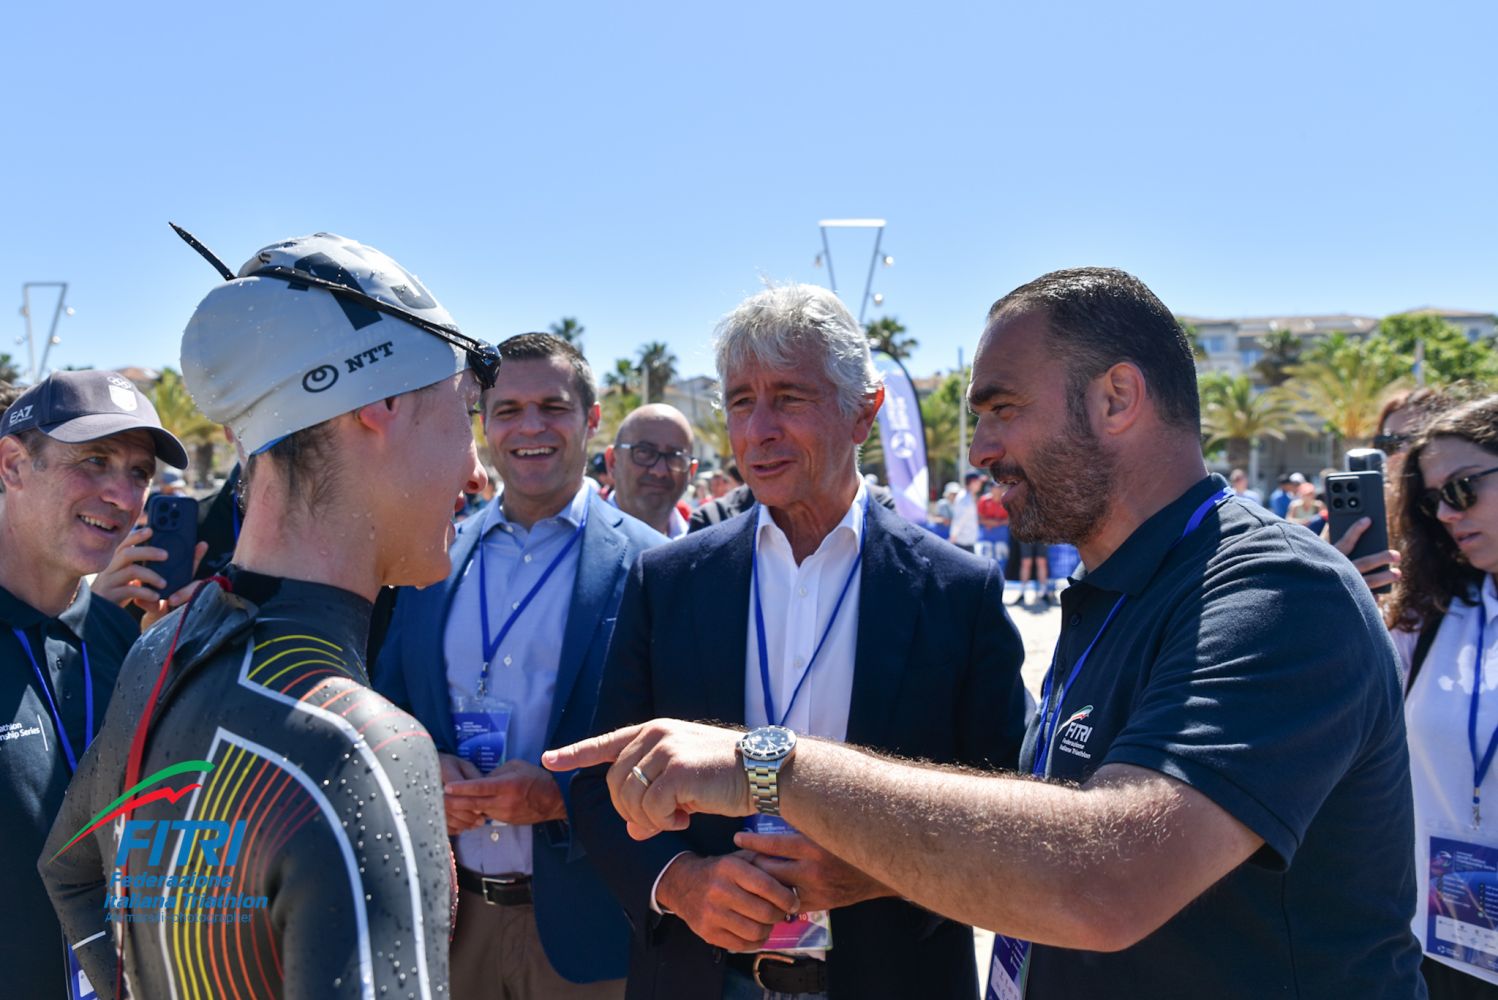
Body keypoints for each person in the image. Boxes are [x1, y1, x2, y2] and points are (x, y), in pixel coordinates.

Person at [550, 267, 1426, 1000]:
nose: (980, 449)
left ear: (1117, 397)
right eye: (742, 402)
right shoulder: (1116, 594)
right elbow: (1023, 815)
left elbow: (1106, 876)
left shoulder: (1276, 593)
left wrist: (767, 766)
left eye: (1003, 408)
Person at [41, 231, 491, 998]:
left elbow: (70, 871)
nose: (476, 472)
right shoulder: (361, 747)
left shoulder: (163, 648)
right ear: (379, 406)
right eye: (465, 414)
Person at [571, 283, 1029, 1000]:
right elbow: (602, 784)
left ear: (864, 413)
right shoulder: (669, 580)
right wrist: (681, 882)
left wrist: (884, 873)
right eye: (740, 401)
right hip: (703, 978)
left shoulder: (955, 592)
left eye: (789, 397)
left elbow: (1010, 807)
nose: (758, 430)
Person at [375, 332, 665, 999]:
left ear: (592, 420)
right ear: (483, 424)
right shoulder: (427, 559)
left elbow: (679, 738)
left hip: (588, 932)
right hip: (449, 923)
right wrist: (420, 768)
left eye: (553, 407)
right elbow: (386, 706)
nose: (530, 427)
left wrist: (562, 799)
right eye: (507, 410)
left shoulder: (655, 566)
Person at [0, 370, 189, 999]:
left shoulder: (127, 646)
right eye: (94, 460)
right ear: (13, 465)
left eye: (139, 473)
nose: (121, 493)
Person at [1387, 395, 1498, 998]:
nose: (1448, 515)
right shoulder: (1426, 616)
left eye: (1462, 489)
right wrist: (1337, 585)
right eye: (1433, 502)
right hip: (1437, 945)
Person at [606, 403, 697, 538]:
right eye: (644, 452)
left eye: (674, 456)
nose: (659, 471)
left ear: (691, 471)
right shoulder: (577, 540)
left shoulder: (703, 546)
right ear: (612, 461)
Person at [947, 470, 982, 551]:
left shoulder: (967, 496)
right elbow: (958, 521)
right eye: (978, 481)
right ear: (972, 482)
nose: (980, 484)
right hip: (962, 544)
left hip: (966, 543)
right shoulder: (965, 499)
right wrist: (953, 537)